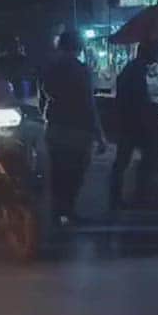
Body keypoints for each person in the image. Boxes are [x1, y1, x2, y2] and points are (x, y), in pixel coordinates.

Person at [42, 31, 107, 225]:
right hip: (78, 128)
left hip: (55, 127)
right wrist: (100, 135)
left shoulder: (49, 69)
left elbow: (43, 97)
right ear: (79, 47)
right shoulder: (81, 70)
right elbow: (88, 103)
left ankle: (57, 212)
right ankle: (67, 211)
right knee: (74, 173)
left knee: (58, 173)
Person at [110, 41, 158, 210]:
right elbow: (139, 99)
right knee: (141, 158)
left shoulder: (135, 69)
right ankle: (137, 195)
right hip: (137, 123)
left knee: (126, 160)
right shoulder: (138, 71)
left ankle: (123, 195)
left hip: (131, 122)